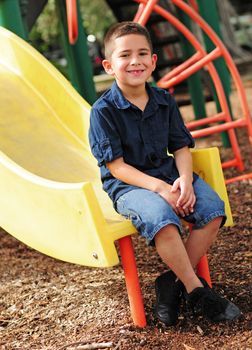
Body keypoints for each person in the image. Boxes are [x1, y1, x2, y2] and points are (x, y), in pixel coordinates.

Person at [88, 21, 241, 326]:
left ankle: (169, 282)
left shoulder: (164, 101)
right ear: (108, 65)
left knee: (211, 210)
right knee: (161, 216)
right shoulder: (103, 112)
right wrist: (160, 188)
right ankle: (196, 290)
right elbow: (116, 167)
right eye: (125, 55)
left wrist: (184, 179)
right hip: (129, 185)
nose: (135, 61)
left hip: (169, 173)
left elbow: (181, 147)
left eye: (143, 53)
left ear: (153, 61)